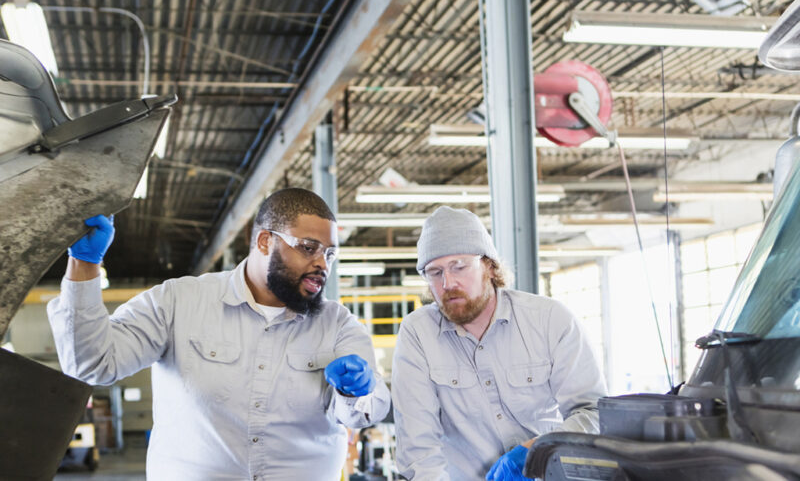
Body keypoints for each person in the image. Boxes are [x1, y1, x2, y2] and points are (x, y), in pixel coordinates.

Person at [47, 188, 390, 480]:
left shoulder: (338, 325)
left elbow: (365, 414)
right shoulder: (178, 302)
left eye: (329, 253)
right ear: (265, 241)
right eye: (308, 247)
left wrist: (359, 390)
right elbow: (91, 364)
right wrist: (84, 264)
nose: (322, 264)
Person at [391, 206, 607, 480]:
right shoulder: (418, 334)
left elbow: (593, 413)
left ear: (490, 266)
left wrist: (536, 451)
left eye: (459, 266)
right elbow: (418, 449)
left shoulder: (550, 320)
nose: (447, 283)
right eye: (435, 272)